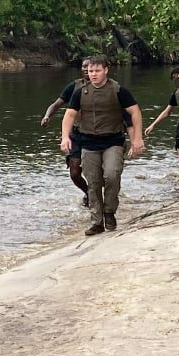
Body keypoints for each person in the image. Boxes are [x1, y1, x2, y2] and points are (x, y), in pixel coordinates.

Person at [60, 55, 144, 235]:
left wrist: (137, 138)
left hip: (112, 141)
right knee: (94, 182)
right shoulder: (80, 92)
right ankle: (96, 221)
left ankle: (109, 211)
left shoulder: (118, 90)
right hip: (88, 142)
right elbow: (69, 115)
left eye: (97, 71)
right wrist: (65, 137)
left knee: (112, 175)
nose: (93, 74)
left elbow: (134, 112)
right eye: (90, 71)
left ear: (106, 70)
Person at [40, 81, 91, 206]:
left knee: (96, 170)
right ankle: (89, 193)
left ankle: (99, 196)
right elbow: (56, 104)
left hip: (97, 135)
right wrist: (47, 116)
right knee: (74, 173)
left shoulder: (108, 88)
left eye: (89, 67)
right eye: (84, 67)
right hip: (76, 134)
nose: (86, 70)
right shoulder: (74, 87)